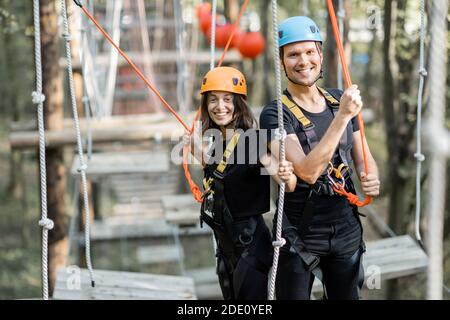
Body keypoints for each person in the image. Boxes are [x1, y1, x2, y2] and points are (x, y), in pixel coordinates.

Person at [259, 16, 380, 300]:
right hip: (300, 232)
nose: (303, 61)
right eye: (293, 54)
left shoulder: (339, 99)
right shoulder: (275, 114)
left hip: (346, 227)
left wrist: (371, 177)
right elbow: (307, 172)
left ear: (320, 55)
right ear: (282, 62)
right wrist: (342, 118)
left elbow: (363, 156)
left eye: (310, 52)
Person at [184, 66, 296, 300]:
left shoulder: (254, 139)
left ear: (238, 104)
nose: (219, 106)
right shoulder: (216, 140)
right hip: (226, 246)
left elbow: (290, 183)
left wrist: (281, 169)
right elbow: (225, 176)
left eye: (227, 99)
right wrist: (196, 151)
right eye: (213, 100)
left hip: (249, 245)